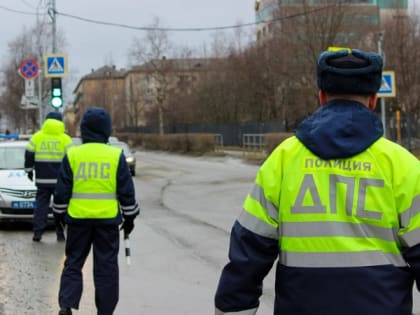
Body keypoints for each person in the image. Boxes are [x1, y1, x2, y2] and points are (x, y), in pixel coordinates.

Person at [214, 48, 420, 315]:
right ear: (372, 100)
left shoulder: (284, 160)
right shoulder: (403, 166)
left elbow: (248, 253)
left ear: (321, 97)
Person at [53, 107, 139, 315]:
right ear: (106, 131)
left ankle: (66, 305)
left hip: (78, 220)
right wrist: (130, 218)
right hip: (107, 222)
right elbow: (126, 192)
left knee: (73, 263)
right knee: (106, 268)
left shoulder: (73, 154)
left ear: (84, 130)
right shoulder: (115, 155)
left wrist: (59, 215)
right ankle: (105, 311)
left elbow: (62, 191)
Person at [24, 111, 73, 242]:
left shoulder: (37, 137)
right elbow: (72, 159)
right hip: (61, 181)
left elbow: (29, 154)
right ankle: (60, 232)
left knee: (41, 206)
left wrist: (29, 170)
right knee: (60, 207)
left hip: (42, 180)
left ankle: (38, 233)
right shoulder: (66, 139)